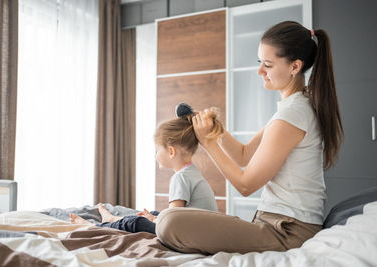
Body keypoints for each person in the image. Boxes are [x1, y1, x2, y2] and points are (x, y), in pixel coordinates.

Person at [156, 21, 344, 255]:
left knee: (168, 222)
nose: (259, 71)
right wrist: (217, 130)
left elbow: (246, 185)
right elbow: (244, 156)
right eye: (260, 63)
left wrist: (208, 142)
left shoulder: (292, 115)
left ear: (295, 66)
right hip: (277, 225)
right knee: (168, 219)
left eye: (267, 65)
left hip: (287, 233)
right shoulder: (294, 108)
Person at [69, 112, 224, 234]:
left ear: (171, 151)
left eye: (157, 150)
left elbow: (173, 221)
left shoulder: (180, 177)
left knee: (135, 223)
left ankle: (95, 226)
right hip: (198, 232)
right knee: (154, 214)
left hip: (189, 237)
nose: (155, 155)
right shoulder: (192, 172)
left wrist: (154, 220)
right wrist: (154, 217)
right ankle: (113, 218)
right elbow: (179, 214)